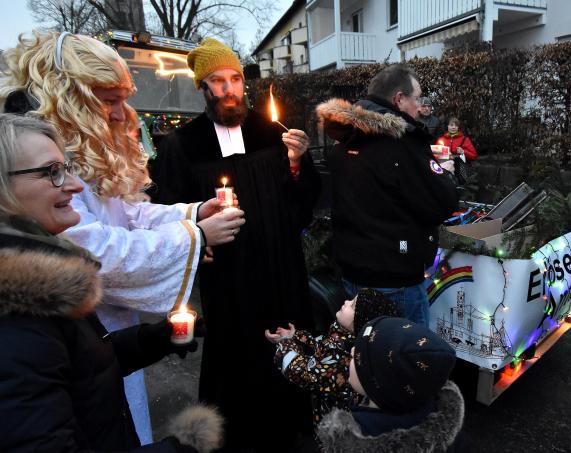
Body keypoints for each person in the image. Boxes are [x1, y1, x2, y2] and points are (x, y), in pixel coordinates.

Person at [0, 31, 244, 443]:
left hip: (104, 346)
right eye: (110, 100)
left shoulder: (71, 158)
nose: (121, 114)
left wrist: (191, 214)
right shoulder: (37, 166)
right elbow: (97, 251)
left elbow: (126, 213)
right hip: (89, 341)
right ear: (70, 98)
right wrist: (195, 237)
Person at [149, 37, 321, 451]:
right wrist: (195, 241)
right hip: (230, 277)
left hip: (283, 268)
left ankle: (292, 424)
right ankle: (241, 435)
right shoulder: (182, 145)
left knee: (288, 343)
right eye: (218, 81)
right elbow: (172, 210)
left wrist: (298, 164)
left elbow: (303, 203)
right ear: (203, 89)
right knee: (239, 355)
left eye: (235, 79)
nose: (229, 89)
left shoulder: (272, 132)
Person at [316, 64, 459, 326]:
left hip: (351, 273)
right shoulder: (402, 143)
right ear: (399, 99)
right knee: (409, 361)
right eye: (417, 98)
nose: (419, 106)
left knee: (365, 355)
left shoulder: (346, 137)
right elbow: (442, 202)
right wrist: (445, 173)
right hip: (395, 280)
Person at [315, 316, 466, 452]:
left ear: (378, 384)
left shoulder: (356, 437)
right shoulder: (445, 423)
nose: (352, 351)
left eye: (358, 357)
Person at [265, 288, 401, 425]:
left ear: (361, 322)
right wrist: (296, 336)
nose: (346, 302)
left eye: (353, 306)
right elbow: (322, 346)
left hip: (337, 422)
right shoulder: (344, 335)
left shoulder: (342, 357)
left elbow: (300, 371)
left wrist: (285, 343)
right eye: (351, 299)